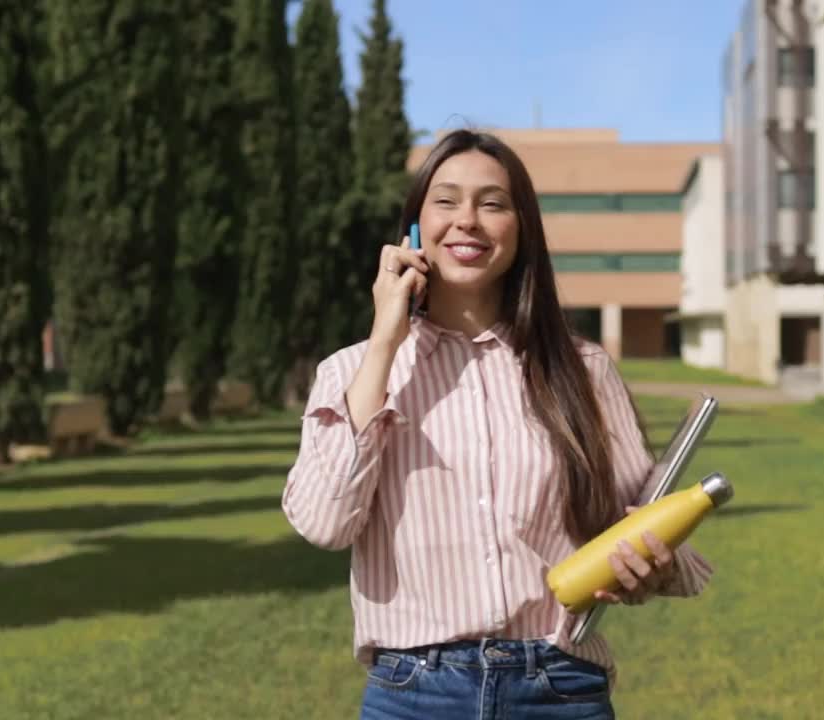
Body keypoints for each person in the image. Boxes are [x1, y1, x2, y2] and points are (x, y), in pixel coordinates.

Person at [282, 129, 714, 719]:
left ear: (521, 229)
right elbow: (326, 522)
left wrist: (652, 565)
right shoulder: (354, 371)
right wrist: (385, 338)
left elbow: (640, 516)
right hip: (413, 695)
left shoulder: (582, 369)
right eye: (446, 201)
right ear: (413, 229)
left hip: (560, 688)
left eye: (492, 203)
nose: (468, 221)